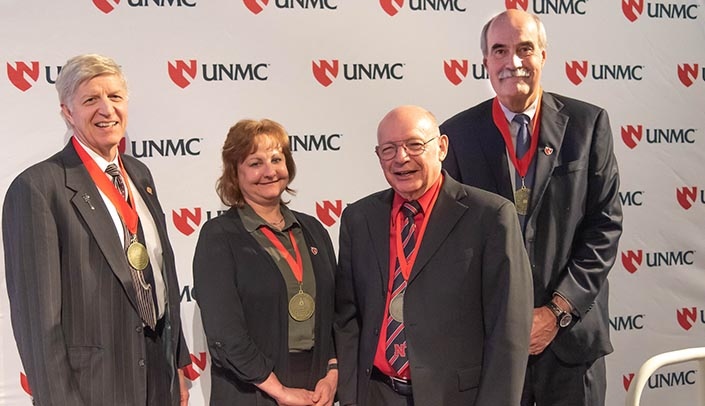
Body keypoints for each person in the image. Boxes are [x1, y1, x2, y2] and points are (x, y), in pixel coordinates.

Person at [440, 9, 624, 406]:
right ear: (486, 62)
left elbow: (604, 228)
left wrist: (557, 312)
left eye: (525, 49)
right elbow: (453, 246)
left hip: (572, 344)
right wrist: (506, 322)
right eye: (500, 51)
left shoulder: (587, 125)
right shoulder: (455, 136)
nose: (513, 62)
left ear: (543, 55)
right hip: (492, 348)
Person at [2, 54, 191, 405]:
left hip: (157, 375)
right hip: (94, 387)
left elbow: (160, 272)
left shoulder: (140, 175)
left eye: (115, 97)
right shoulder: (38, 188)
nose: (107, 109)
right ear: (67, 111)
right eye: (91, 99)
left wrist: (177, 363)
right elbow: (37, 322)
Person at [334, 105, 533, 406]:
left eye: (414, 145)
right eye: (389, 149)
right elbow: (347, 318)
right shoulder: (358, 219)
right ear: (379, 157)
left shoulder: (490, 216)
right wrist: (350, 395)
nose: (401, 158)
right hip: (375, 394)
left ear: (441, 147)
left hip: (455, 398)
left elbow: (508, 329)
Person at [192, 119, 338, 406]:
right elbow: (225, 334)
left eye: (276, 159)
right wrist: (280, 392)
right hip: (251, 392)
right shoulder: (219, 236)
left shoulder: (314, 230)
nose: (270, 171)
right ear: (235, 173)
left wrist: (332, 374)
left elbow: (337, 314)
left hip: (316, 390)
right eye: (255, 163)